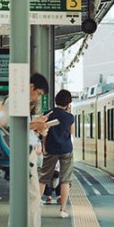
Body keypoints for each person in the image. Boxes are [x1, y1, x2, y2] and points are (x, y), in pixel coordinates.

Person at [4, 72, 50, 227]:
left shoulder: (18, 102)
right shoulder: (16, 101)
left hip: (27, 151)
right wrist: (34, 124)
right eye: (38, 93)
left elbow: (20, 126)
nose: (37, 98)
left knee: (24, 194)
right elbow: (12, 126)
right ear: (31, 87)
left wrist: (36, 126)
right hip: (23, 153)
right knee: (32, 195)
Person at [38, 89, 75, 219]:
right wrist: (68, 113)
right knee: (65, 180)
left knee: (43, 178)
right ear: (68, 102)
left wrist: (43, 147)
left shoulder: (48, 114)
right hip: (66, 149)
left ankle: (36, 206)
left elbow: (43, 133)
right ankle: (63, 210)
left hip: (51, 149)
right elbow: (71, 132)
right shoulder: (70, 117)